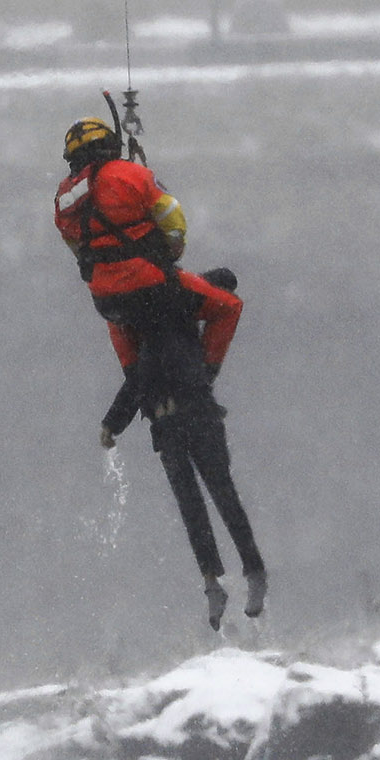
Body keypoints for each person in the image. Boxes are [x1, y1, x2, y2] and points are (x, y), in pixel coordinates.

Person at [53, 116, 266, 627]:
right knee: (221, 491)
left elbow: (137, 367)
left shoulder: (66, 200)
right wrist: (207, 370)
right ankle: (252, 573)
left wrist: (117, 421)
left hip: (111, 304)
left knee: (190, 502)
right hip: (183, 372)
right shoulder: (131, 177)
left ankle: (211, 583)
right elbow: (172, 221)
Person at [99, 267, 266, 629]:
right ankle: (221, 581)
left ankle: (243, 574)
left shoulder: (170, 319)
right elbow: (138, 380)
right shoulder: (160, 325)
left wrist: (113, 422)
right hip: (170, 424)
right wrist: (113, 422)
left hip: (192, 417)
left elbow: (138, 379)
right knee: (201, 504)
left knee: (215, 498)